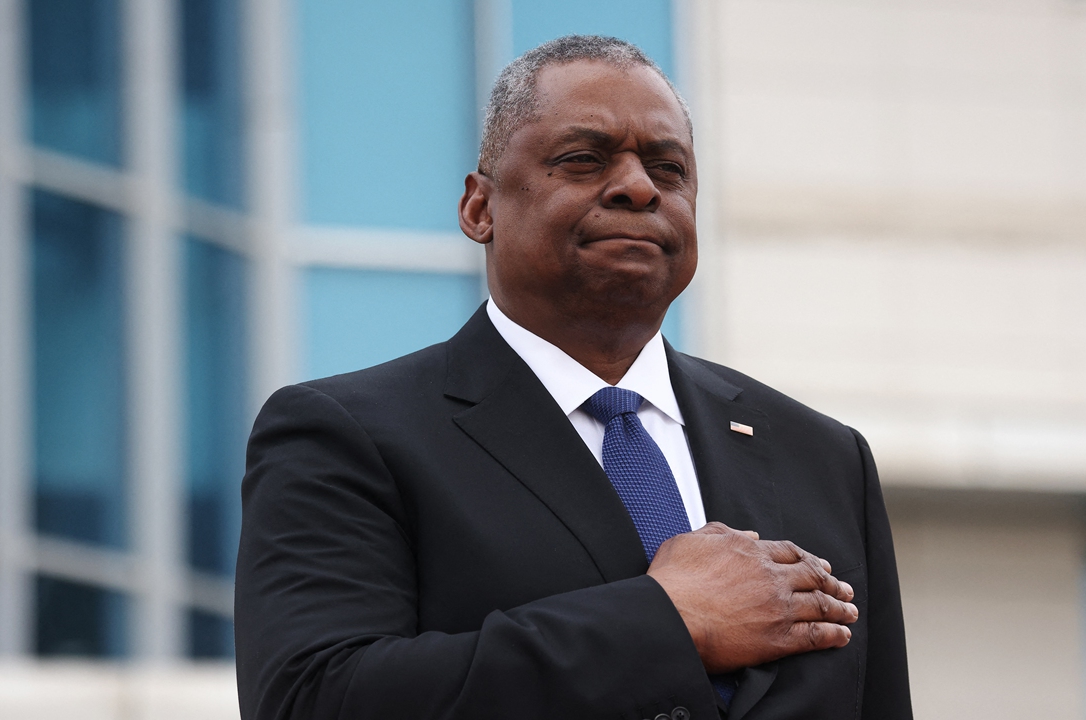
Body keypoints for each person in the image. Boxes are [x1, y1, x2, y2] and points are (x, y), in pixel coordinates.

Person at [235, 35, 912, 720]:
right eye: (584, 160)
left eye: (668, 168)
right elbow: (312, 699)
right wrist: (665, 620)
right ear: (480, 208)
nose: (639, 187)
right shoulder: (346, 435)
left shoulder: (823, 457)